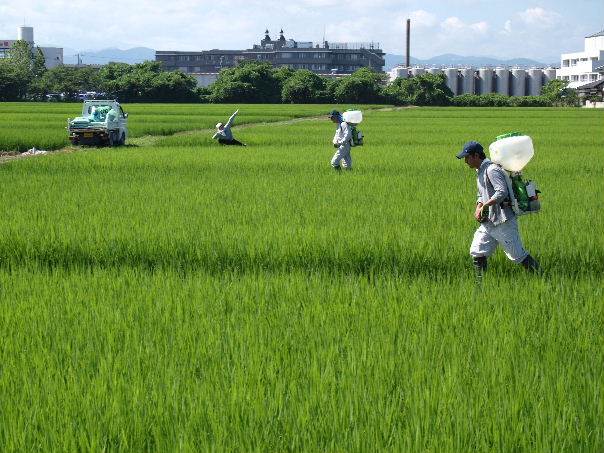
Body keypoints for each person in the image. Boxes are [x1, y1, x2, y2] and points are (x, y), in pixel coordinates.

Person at [457, 141, 540, 277]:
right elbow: (481, 193)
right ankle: (479, 287)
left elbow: (501, 192)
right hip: (489, 222)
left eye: (467, 157)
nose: (465, 161)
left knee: (517, 255)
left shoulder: (492, 170)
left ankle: (543, 277)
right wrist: (479, 205)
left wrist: (485, 205)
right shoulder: (480, 171)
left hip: (503, 221)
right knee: (478, 250)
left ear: (476, 156)